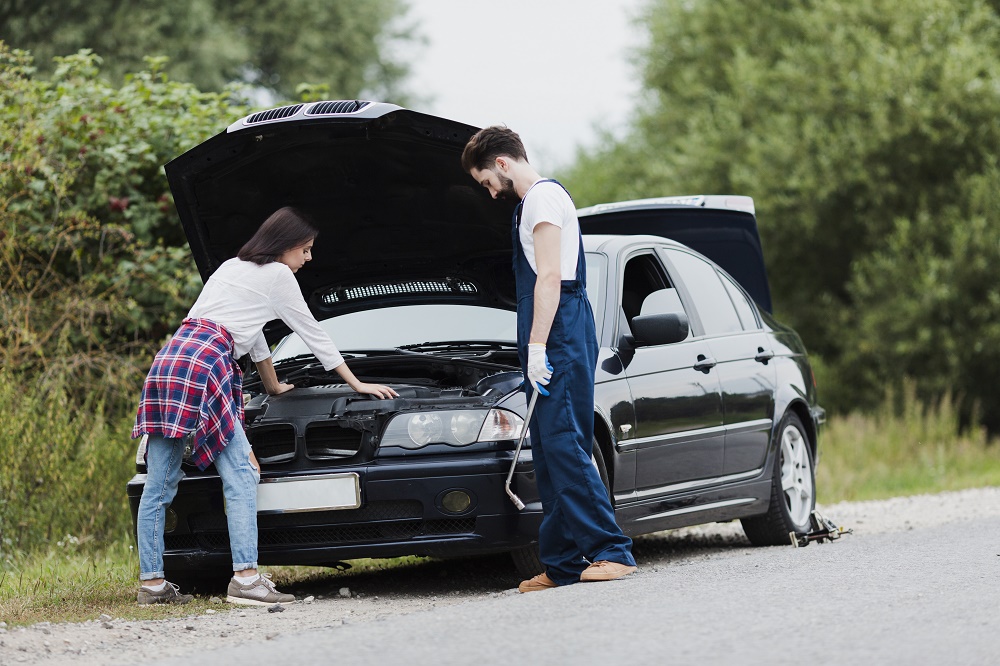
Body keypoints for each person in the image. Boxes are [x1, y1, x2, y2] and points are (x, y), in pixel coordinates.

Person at [132, 206, 397, 606]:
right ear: (287, 245)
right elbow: (309, 329)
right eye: (305, 250)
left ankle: (152, 585)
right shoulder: (278, 275)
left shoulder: (231, 267)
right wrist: (356, 382)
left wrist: (272, 384)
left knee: (160, 482)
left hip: (171, 360)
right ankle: (246, 578)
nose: (308, 259)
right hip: (207, 363)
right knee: (240, 475)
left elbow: (249, 330)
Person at [461, 126, 637, 592]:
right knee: (549, 447)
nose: (489, 192)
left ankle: (611, 551)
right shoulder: (535, 201)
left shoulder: (540, 199)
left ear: (501, 164)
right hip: (554, 326)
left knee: (563, 443)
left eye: (485, 182)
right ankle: (560, 562)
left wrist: (538, 347)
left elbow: (550, 277)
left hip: (558, 327)